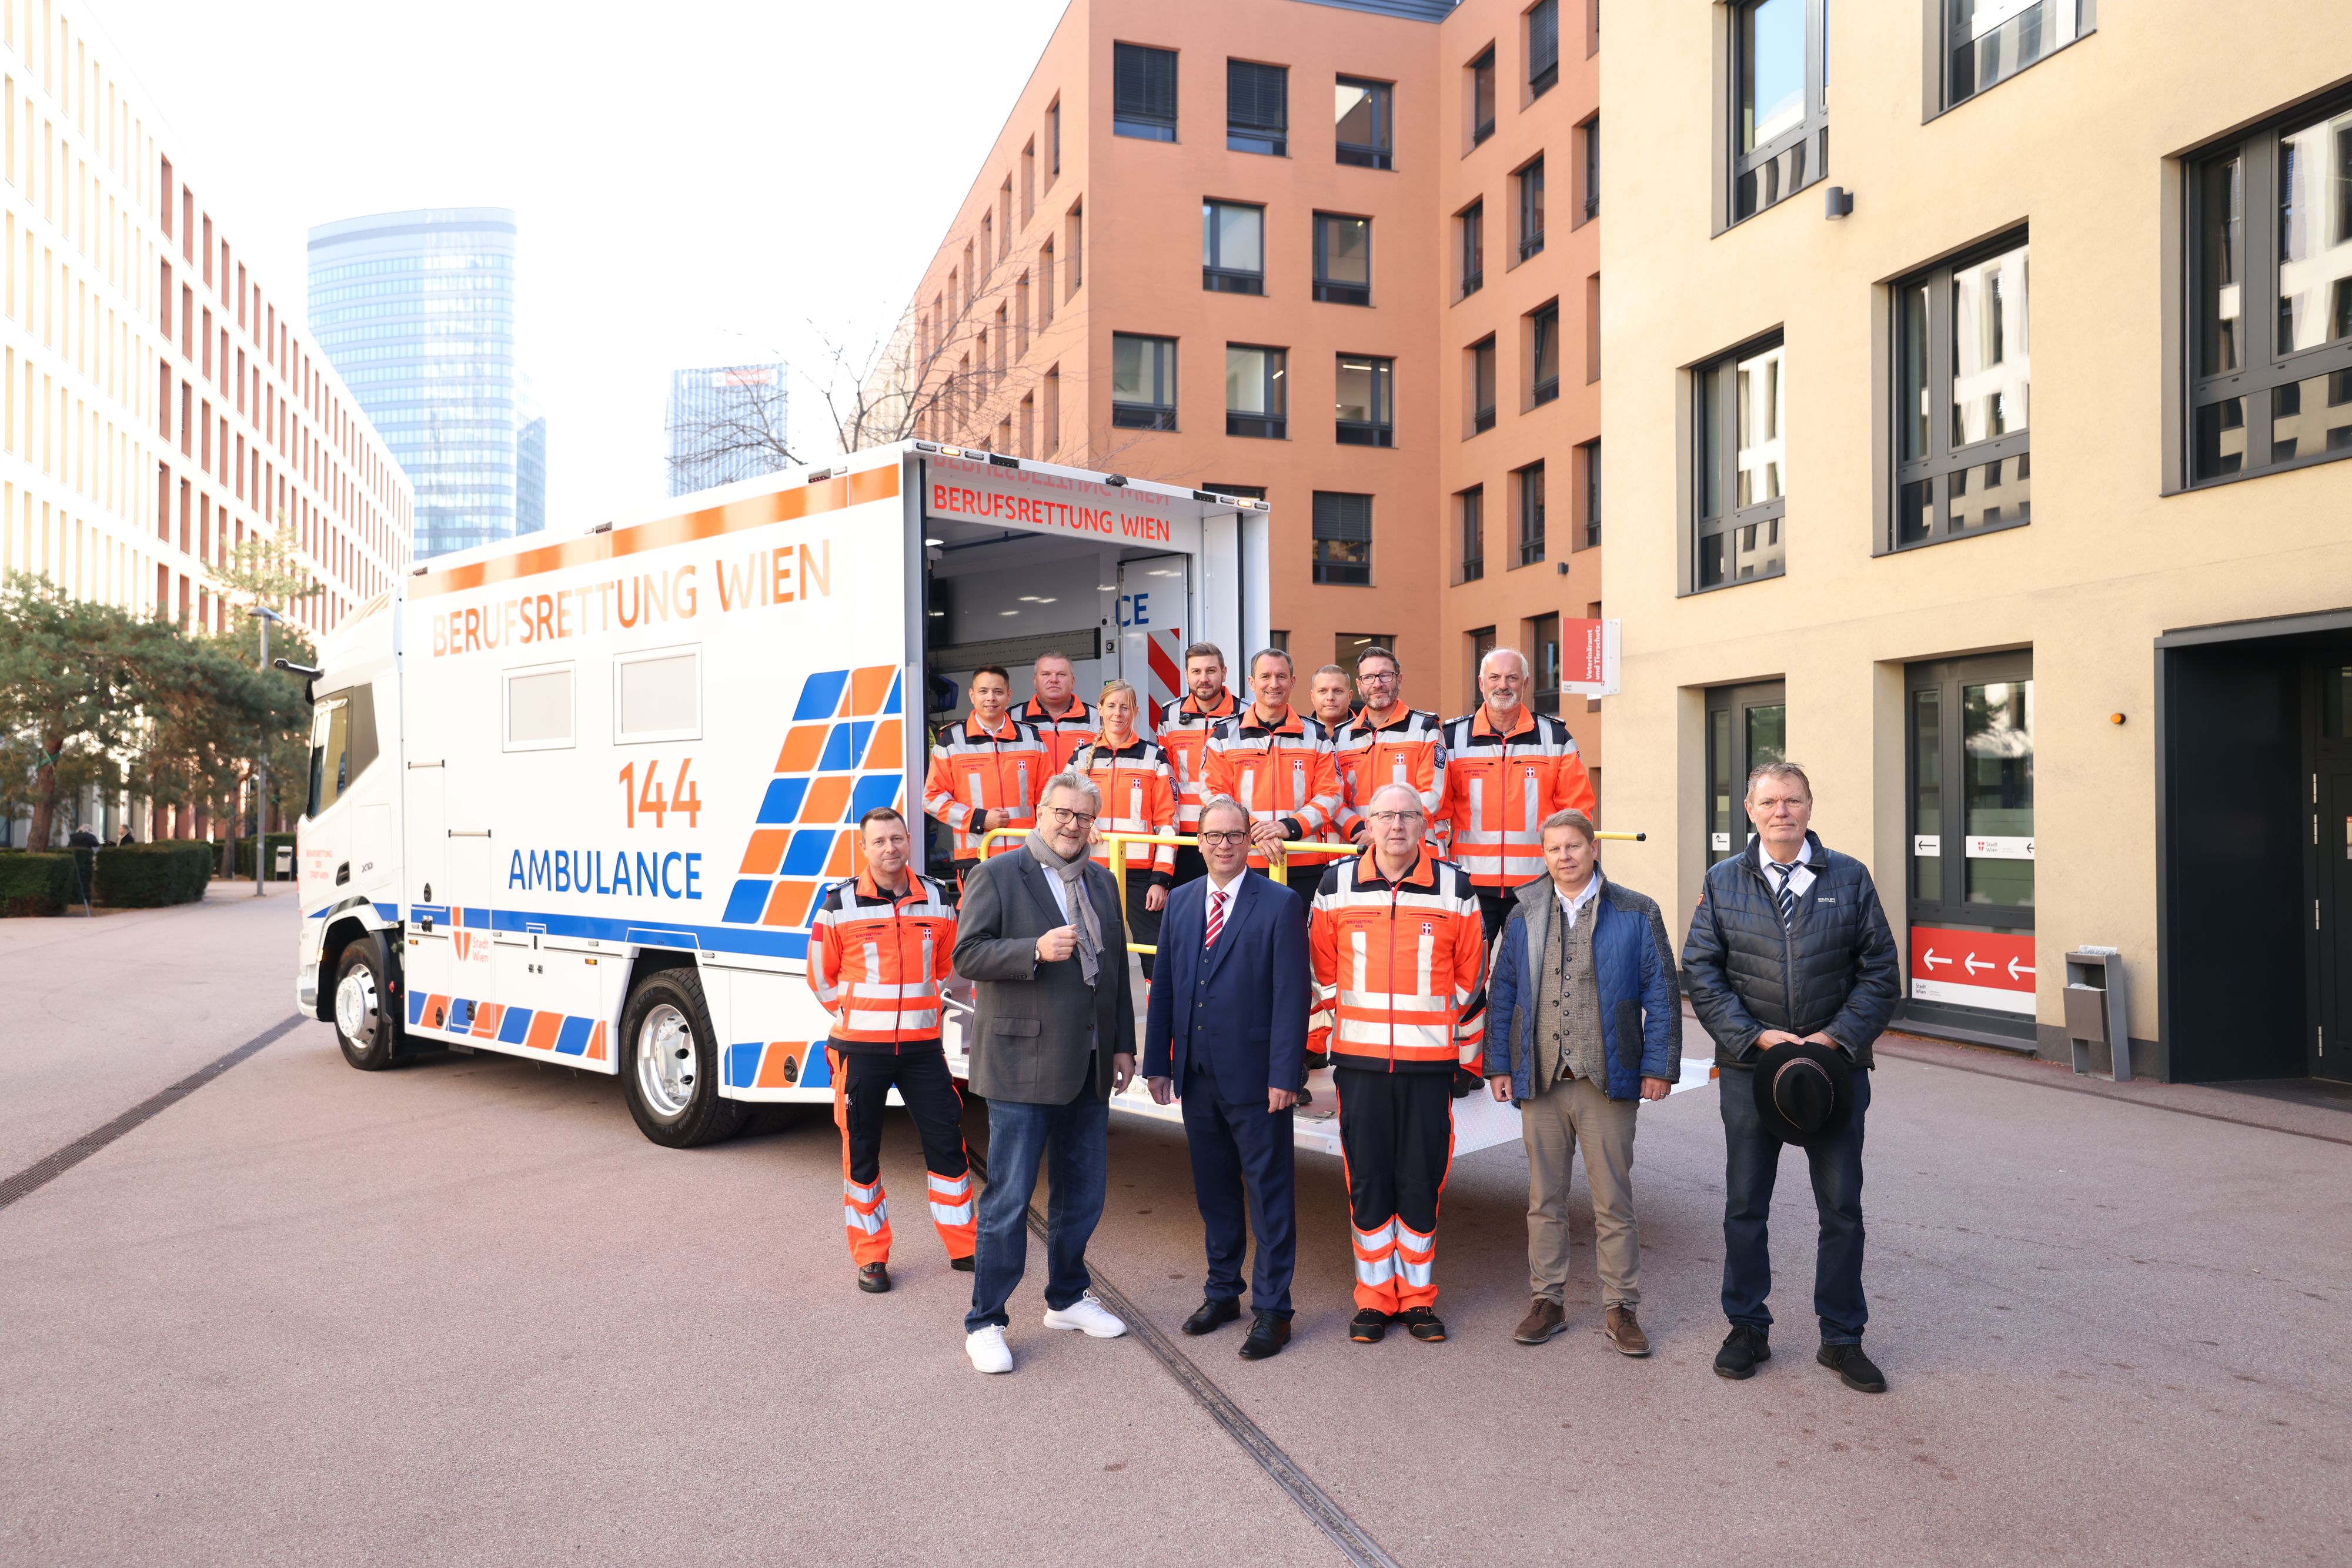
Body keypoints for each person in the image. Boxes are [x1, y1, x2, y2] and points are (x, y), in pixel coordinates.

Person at [1683, 761, 1900, 1395]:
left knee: (1841, 1209)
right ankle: (1746, 1327)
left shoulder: (1850, 878)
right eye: (1770, 801)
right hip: (1751, 1071)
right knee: (1745, 1205)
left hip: (1836, 1071)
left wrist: (1836, 1039)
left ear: (1809, 807)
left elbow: (1880, 971)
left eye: (1793, 800)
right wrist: (1754, 1037)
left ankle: (1841, 1339)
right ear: (1749, 810)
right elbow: (1702, 971)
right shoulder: (1723, 882)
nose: (1782, 811)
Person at [951, 772, 1137, 1374]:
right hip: (1020, 1065)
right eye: (1063, 813)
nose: (1072, 825)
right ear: (1041, 812)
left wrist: (1121, 1046)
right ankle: (985, 1320)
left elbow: (1113, 975)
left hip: (1086, 1062)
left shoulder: (1104, 882)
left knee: (1082, 1192)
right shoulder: (999, 873)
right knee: (1008, 1198)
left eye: (1083, 817)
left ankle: (1066, 1298)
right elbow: (967, 954)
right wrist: (1032, 949)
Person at [1484, 810, 1679, 1356]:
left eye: (1573, 846)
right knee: (1544, 1197)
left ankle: (1622, 1307)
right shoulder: (1523, 912)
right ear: (1544, 855)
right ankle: (1547, 1300)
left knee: (1612, 1199)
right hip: (1542, 1077)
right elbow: (1504, 994)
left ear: (1593, 849)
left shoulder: (1637, 911)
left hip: (1607, 1076)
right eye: (1553, 849)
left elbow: (1661, 993)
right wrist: (1500, 1064)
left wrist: (1658, 1066)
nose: (1564, 856)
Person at [1308, 783, 1488, 1346]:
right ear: (1367, 822)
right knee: (1367, 1181)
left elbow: (1471, 979)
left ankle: (1417, 1298)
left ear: (1424, 823)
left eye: (1408, 816)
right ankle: (1373, 1298)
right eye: (1385, 815)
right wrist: (1327, 1042)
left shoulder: (1456, 887)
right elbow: (1321, 970)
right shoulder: (1335, 883)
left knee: (1421, 1180)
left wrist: (1466, 1058)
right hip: (1359, 1065)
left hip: (1428, 1066)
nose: (1396, 826)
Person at [1143, 795, 1309, 1360]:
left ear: (1249, 840)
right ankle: (1223, 1291)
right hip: (1197, 1074)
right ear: (1199, 840)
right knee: (1214, 1193)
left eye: (1234, 835)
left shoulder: (1280, 903)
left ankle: (1273, 1308)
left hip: (1260, 1079)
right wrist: (1158, 1062)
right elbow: (1164, 983)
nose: (1223, 844)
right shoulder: (1184, 900)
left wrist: (1286, 1071)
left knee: (1269, 1194)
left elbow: (1293, 996)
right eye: (1212, 835)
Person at [806, 808, 973, 1293]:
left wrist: (922, 1011)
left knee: (947, 1144)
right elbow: (821, 975)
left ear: (908, 842)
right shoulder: (838, 903)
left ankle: (964, 1245)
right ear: (864, 848)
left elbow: (949, 964)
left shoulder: (939, 899)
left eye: (897, 838)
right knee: (861, 1153)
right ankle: (872, 1256)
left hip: (922, 1048)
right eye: (878, 841)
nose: (889, 848)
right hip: (861, 1051)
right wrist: (859, 1014)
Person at [1442, 647, 1598, 942]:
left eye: (1512, 677)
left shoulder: (1555, 738)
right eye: (1495, 677)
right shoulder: (1452, 739)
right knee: (1468, 980)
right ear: (1481, 683)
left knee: (1533, 978)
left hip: (1536, 885)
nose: (1503, 685)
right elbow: (1437, 811)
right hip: (1469, 884)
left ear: (1525, 684)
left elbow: (1577, 811)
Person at [1202, 648, 1344, 907]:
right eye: (1265, 676)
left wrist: (1288, 827)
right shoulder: (1223, 736)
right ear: (1252, 683)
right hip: (1243, 862)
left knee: (1300, 945)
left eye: (1281, 676)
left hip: (1304, 862)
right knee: (1246, 945)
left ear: (1293, 682)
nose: (1274, 684)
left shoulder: (1317, 736)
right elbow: (1214, 794)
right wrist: (1256, 831)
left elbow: (1331, 794)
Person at [1077, 681, 1178, 978]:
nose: (1118, 713)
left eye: (1125, 707)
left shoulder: (1154, 758)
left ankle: (1159, 1022)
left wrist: (1161, 880)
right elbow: (1063, 812)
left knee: (1157, 959)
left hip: (1141, 878)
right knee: (1092, 957)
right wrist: (1084, 823)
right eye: (1111, 706)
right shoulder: (1081, 759)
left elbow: (1167, 824)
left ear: (1135, 711)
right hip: (1090, 872)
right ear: (1100, 710)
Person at [923, 664, 1046, 884]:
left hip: (1027, 855)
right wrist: (980, 819)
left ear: (1009, 696)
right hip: (976, 857)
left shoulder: (1031, 738)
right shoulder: (951, 741)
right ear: (972, 696)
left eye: (998, 692)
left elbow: (1049, 795)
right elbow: (932, 799)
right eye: (983, 691)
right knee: (982, 920)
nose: (991, 698)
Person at [1330, 646, 1446, 850]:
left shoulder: (1425, 728)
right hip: (1361, 849)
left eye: (1385, 676)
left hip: (1415, 851)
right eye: (1368, 678)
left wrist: (1380, 832)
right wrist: (1362, 831)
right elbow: (1335, 798)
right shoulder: (1342, 737)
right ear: (1359, 685)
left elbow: (1432, 795)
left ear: (1399, 680)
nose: (1377, 684)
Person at [1160, 643, 1239, 888]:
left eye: (1211, 671)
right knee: (1188, 904)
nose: (1203, 679)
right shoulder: (1170, 715)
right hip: (1184, 833)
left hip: (1229, 833)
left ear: (1224, 673)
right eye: (1196, 672)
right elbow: (1164, 777)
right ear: (1186, 675)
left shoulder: (1244, 715)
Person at [1015, 650, 1099, 775]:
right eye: (1046, 674)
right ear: (1035, 682)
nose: (1054, 680)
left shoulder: (1098, 718)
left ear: (1073, 682)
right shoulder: (1012, 717)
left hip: (1079, 794)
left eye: (1061, 674)